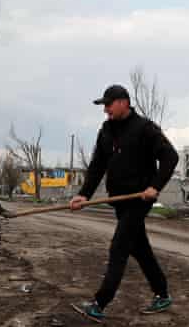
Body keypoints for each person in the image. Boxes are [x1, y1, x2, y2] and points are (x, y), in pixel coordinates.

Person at [69, 85, 179, 321]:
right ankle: (162, 293)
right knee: (140, 248)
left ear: (123, 102)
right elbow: (98, 164)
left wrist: (155, 187)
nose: (105, 110)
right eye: (104, 106)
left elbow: (171, 157)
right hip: (119, 200)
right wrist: (84, 194)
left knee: (119, 247)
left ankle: (99, 303)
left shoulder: (145, 128)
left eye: (108, 105)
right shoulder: (107, 130)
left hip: (139, 199)